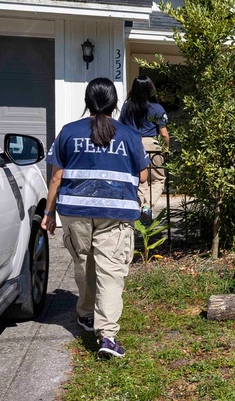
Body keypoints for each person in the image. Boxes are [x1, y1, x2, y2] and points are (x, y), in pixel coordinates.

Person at [42, 78, 149, 359]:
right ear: (115, 104)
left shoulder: (67, 132)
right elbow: (144, 175)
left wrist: (49, 213)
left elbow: (56, 177)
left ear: (87, 102)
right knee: (111, 271)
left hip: (75, 211)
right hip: (115, 213)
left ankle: (87, 315)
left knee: (84, 263)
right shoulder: (130, 136)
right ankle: (108, 337)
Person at [119, 76, 170, 222]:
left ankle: (137, 205)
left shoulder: (127, 107)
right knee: (158, 179)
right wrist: (166, 149)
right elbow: (164, 133)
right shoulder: (157, 108)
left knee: (141, 180)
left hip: (132, 145)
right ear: (150, 89)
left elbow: (121, 128)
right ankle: (147, 206)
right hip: (151, 145)